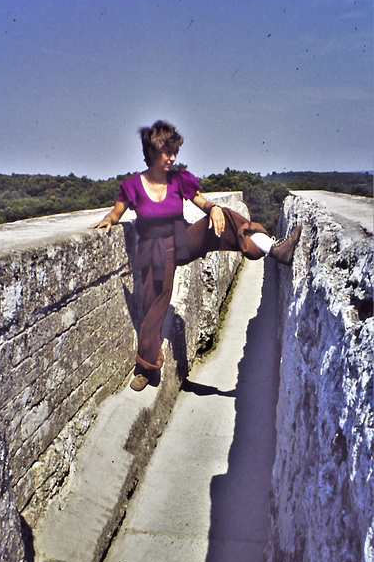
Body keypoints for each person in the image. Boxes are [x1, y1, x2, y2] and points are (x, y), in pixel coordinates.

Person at [89, 120, 301, 391]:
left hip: (183, 240)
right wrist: (108, 219)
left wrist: (212, 208)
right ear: (153, 152)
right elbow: (117, 214)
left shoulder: (179, 179)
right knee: (154, 307)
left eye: (175, 151)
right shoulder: (132, 186)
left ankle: (274, 249)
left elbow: (201, 201)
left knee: (224, 215)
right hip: (154, 252)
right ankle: (147, 366)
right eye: (168, 152)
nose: (173, 157)